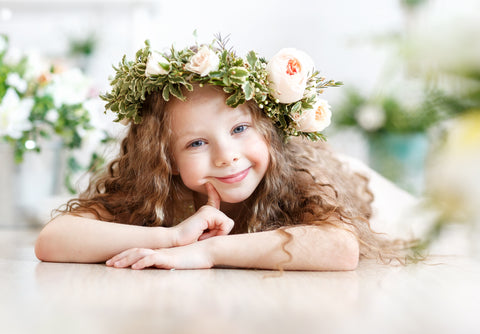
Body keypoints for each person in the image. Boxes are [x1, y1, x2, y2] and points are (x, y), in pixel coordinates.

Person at [35, 37, 408, 271]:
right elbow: (52, 240)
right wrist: (174, 238)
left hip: (370, 193)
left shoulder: (300, 179)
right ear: (165, 160)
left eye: (240, 129)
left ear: (266, 133)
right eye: (196, 143)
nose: (227, 156)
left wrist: (209, 251)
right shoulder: (154, 193)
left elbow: (341, 249)